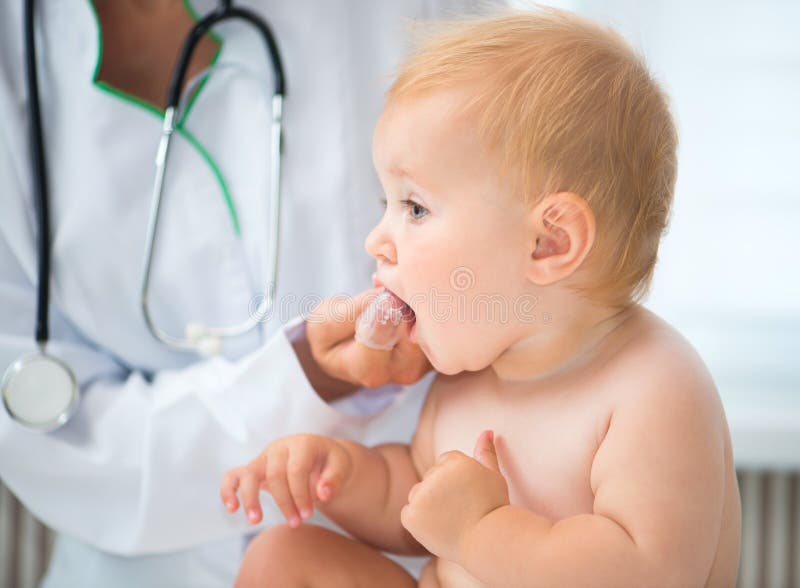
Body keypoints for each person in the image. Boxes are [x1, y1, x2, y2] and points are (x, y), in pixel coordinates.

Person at [220, 8, 742, 587]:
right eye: (386, 205)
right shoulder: (470, 374)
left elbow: (646, 574)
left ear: (549, 242)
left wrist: (480, 532)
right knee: (284, 558)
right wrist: (341, 475)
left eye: (415, 208)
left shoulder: (655, 388)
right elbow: (416, 498)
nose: (377, 240)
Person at [0, 1, 493, 586]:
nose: (380, 237)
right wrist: (304, 377)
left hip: (413, 551)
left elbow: (525, 207)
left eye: (410, 208)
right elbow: (50, 442)